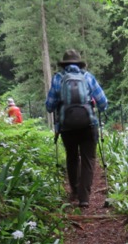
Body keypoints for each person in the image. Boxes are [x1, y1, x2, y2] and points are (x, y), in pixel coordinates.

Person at [46, 49, 108, 208]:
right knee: (88, 159)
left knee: (72, 157)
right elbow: (103, 103)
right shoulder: (88, 77)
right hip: (88, 125)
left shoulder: (58, 79)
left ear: (64, 65)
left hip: (67, 126)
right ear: (79, 64)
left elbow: (49, 106)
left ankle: (74, 190)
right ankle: (84, 198)